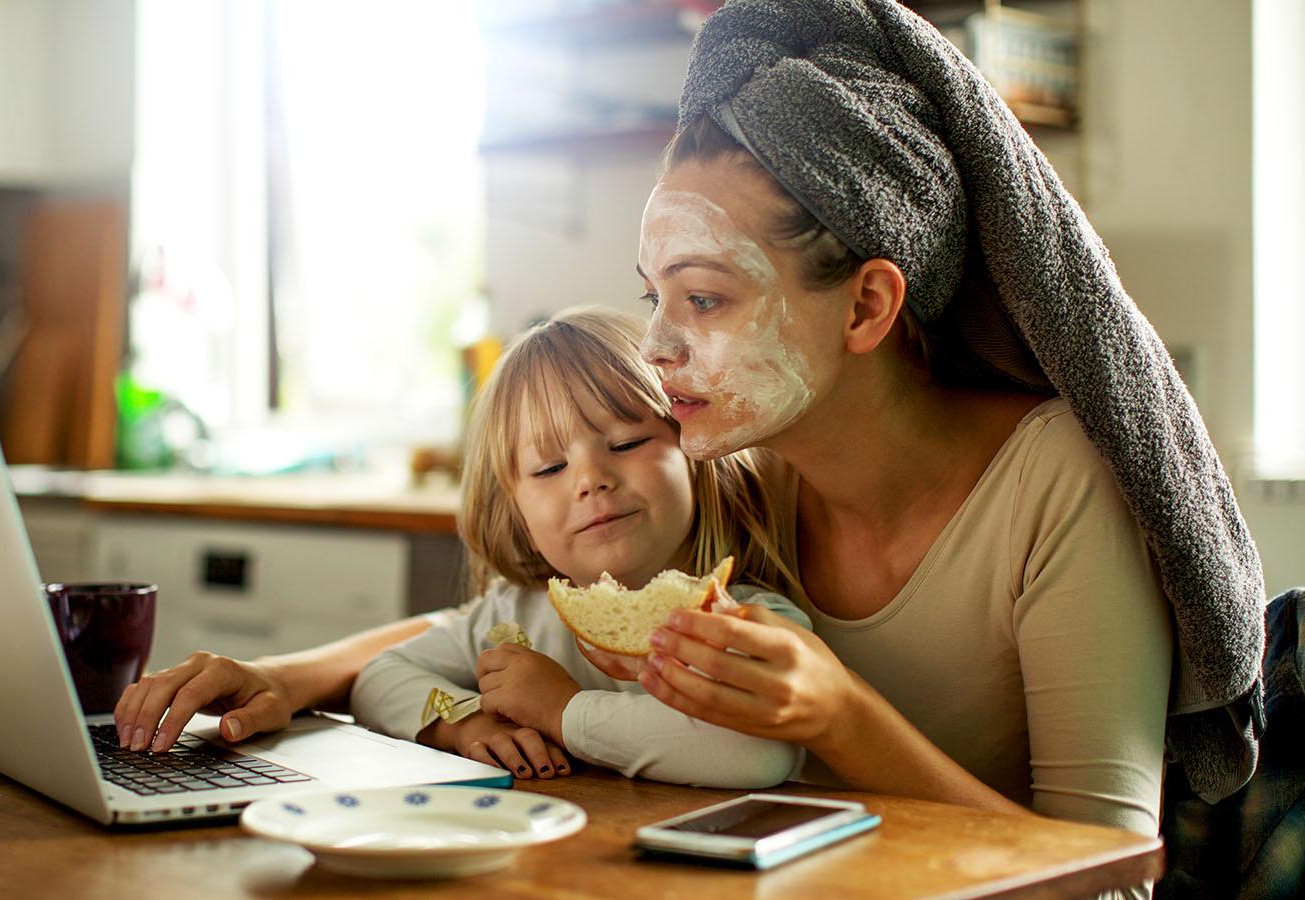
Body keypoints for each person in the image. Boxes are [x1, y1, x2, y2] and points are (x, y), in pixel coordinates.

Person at [117, 7, 1265, 891]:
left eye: (705, 299)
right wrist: (291, 675)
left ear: (867, 307)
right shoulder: (737, 478)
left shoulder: (1054, 486)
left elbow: (1115, 880)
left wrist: (841, 719)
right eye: (651, 296)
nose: (657, 348)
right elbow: (489, 621)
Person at [348, 307, 806, 787]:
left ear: (694, 454)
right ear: (515, 509)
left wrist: (561, 711)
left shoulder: (745, 621)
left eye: (627, 443)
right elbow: (381, 677)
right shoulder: (516, 617)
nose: (591, 480)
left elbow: (755, 752)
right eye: (549, 468)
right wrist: (464, 723)